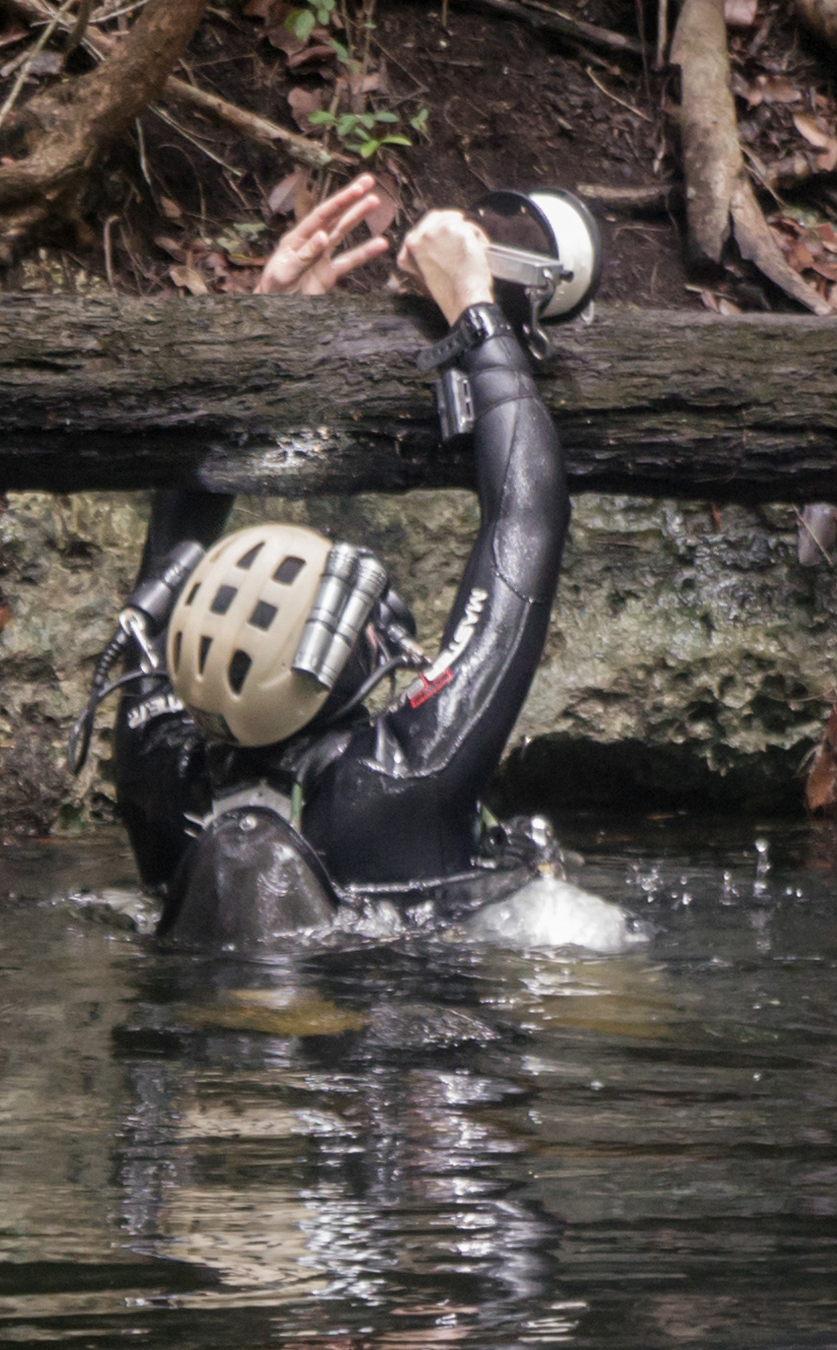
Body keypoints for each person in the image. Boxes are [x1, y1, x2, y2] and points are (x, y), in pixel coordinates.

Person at [94, 176, 571, 947]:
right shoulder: (403, 776)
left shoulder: (156, 761)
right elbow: (528, 517)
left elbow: (174, 532)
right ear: (334, 656)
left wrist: (266, 339)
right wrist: (476, 315)